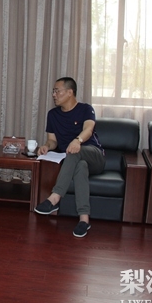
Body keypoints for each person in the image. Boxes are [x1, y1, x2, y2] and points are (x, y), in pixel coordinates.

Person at [34, 77, 105, 237]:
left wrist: (77, 140)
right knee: (80, 166)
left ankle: (54, 198)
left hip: (94, 155)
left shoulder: (86, 109)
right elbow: (52, 140)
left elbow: (88, 129)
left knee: (73, 152)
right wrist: (46, 146)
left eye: (57, 91)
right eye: (53, 91)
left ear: (69, 92)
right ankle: (84, 220)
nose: (54, 95)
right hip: (75, 158)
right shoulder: (53, 114)